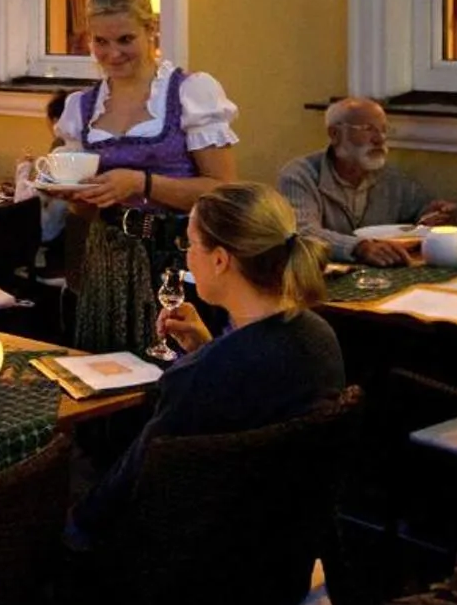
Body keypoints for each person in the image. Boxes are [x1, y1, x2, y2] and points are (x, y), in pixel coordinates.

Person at [68, 184, 346, 551]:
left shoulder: (202, 374)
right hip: (281, 545)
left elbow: (133, 480)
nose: (186, 256)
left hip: (187, 561)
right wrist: (209, 347)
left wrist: (72, 528)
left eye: (190, 244)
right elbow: (249, 388)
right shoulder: (319, 336)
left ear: (219, 260)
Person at [50, 0, 239, 352]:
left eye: (125, 40)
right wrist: (73, 194)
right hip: (108, 260)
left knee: (173, 363)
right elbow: (84, 212)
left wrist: (142, 183)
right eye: (100, 42)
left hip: (178, 257)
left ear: (152, 29)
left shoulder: (190, 93)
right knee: (110, 366)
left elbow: (223, 191)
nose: (112, 53)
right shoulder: (81, 107)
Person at [277, 96, 457, 267]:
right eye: (367, 129)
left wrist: (429, 216)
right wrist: (358, 247)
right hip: (321, 279)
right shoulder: (300, 175)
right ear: (335, 134)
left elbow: (417, 214)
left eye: (383, 130)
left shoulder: (390, 177)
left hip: (380, 278)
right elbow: (301, 233)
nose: (379, 139)